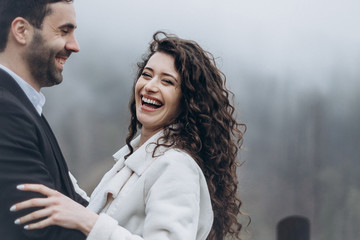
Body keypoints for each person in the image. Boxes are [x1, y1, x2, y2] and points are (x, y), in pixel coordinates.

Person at [11, 31, 248, 240]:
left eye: (167, 81)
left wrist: (87, 222)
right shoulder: (134, 159)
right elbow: (96, 214)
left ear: (188, 100)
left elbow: (93, 223)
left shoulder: (176, 166)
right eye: (147, 74)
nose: (150, 86)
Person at [0, 0, 89, 239]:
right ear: (21, 31)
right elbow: (41, 228)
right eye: (64, 31)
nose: (75, 45)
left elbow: (69, 203)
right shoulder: (6, 111)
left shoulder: (23, 105)